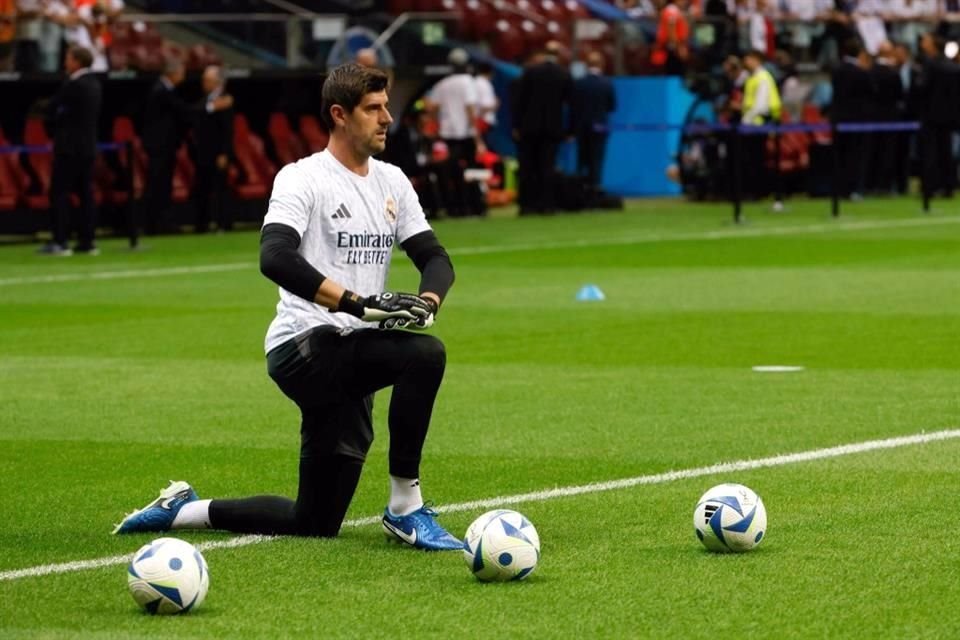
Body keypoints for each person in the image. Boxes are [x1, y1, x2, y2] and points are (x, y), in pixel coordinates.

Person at [113, 63, 462, 551]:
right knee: (425, 356)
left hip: (351, 353)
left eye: (386, 107)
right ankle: (405, 507)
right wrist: (359, 304)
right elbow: (274, 257)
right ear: (339, 115)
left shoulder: (393, 181)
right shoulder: (302, 178)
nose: (386, 118)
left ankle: (184, 509)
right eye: (373, 109)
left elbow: (434, 257)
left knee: (315, 520)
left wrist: (427, 301)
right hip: (304, 347)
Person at [141, 58, 231, 240]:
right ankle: (155, 224)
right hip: (161, 147)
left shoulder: (166, 90)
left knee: (163, 185)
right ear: (173, 73)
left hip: (171, 147)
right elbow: (185, 111)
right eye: (181, 72)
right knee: (158, 184)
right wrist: (211, 106)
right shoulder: (162, 91)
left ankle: (161, 223)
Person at [39, 45, 101, 256]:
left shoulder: (74, 85)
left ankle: (61, 241)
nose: (65, 62)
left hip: (68, 149)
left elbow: (53, 108)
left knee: (59, 194)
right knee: (85, 195)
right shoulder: (95, 84)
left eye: (68, 58)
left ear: (77, 61)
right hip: (88, 148)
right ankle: (88, 241)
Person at [512, 41, 573, 214]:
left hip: (529, 128)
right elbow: (571, 104)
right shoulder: (563, 74)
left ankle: (526, 205)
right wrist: (570, 130)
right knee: (547, 167)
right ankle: (547, 205)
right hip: (552, 129)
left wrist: (516, 125)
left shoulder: (531, 72)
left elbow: (520, 101)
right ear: (558, 55)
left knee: (528, 167)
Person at [425, 47, 483, 217]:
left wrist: (437, 122)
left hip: (447, 133)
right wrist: (478, 137)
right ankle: (474, 206)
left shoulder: (443, 84)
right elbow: (470, 108)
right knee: (471, 171)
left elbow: (431, 106)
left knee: (451, 172)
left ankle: (454, 207)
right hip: (465, 133)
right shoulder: (468, 82)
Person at [915, 32, 960, 200]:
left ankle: (930, 188)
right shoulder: (953, 66)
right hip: (949, 116)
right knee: (946, 151)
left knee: (930, 153)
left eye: (926, 40)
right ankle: (948, 186)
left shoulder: (930, 64)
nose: (923, 43)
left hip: (930, 116)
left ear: (933, 45)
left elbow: (922, 87)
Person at [192, 65, 234, 233]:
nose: (203, 83)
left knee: (220, 189)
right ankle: (202, 224)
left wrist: (224, 153)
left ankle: (223, 223)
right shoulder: (207, 100)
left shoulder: (226, 100)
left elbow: (228, 130)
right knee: (202, 188)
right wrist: (210, 108)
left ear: (217, 82)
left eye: (207, 80)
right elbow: (194, 112)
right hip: (203, 153)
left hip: (218, 153)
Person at [570, 51, 616, 197]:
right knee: (597, 158)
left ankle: (579, 189)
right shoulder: (607, 83)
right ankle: (595, 189)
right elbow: (612, 106)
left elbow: (573, 107)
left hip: (582, 128)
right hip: (600, 127)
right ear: (601, 64)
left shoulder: (579, 83)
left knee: (582, 158)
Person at [739, 49, 781, 203]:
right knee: (753, 159)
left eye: (748, 59)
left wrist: (746, 119)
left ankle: (758, 191)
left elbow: (761, 105)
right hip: (754, 123)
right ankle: (755, 190)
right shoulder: (752, 77)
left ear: (757, 60)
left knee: (756, 159)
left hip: (759, 123)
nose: (746, 62)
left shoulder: (762, 77)